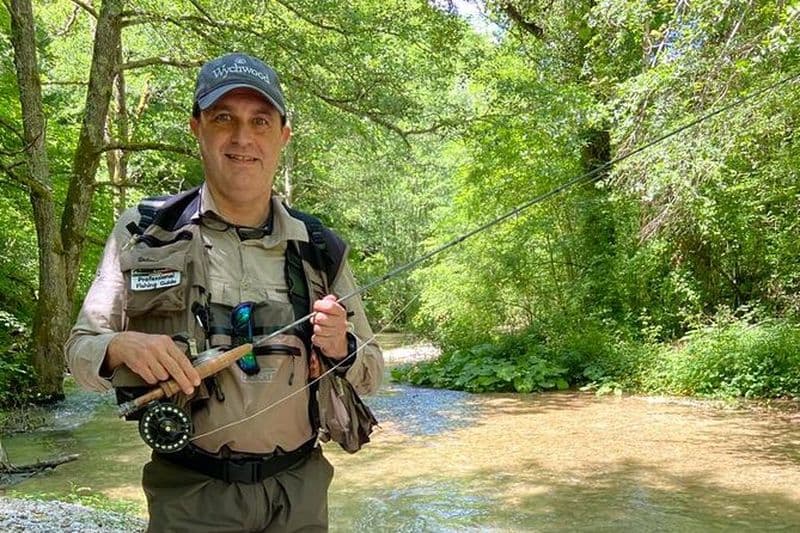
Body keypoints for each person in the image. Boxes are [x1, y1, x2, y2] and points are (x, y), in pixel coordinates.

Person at [65, 52, 383, 532]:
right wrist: (116, 347)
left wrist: (343, 347)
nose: (242, 138)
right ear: (196, 128)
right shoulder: (144, 231)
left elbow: (373, 373)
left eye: (260, 121)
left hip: (299, 495)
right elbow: (78, 350)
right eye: (223, 119)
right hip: (189, 497)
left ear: (283, 135)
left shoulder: (320, 248)